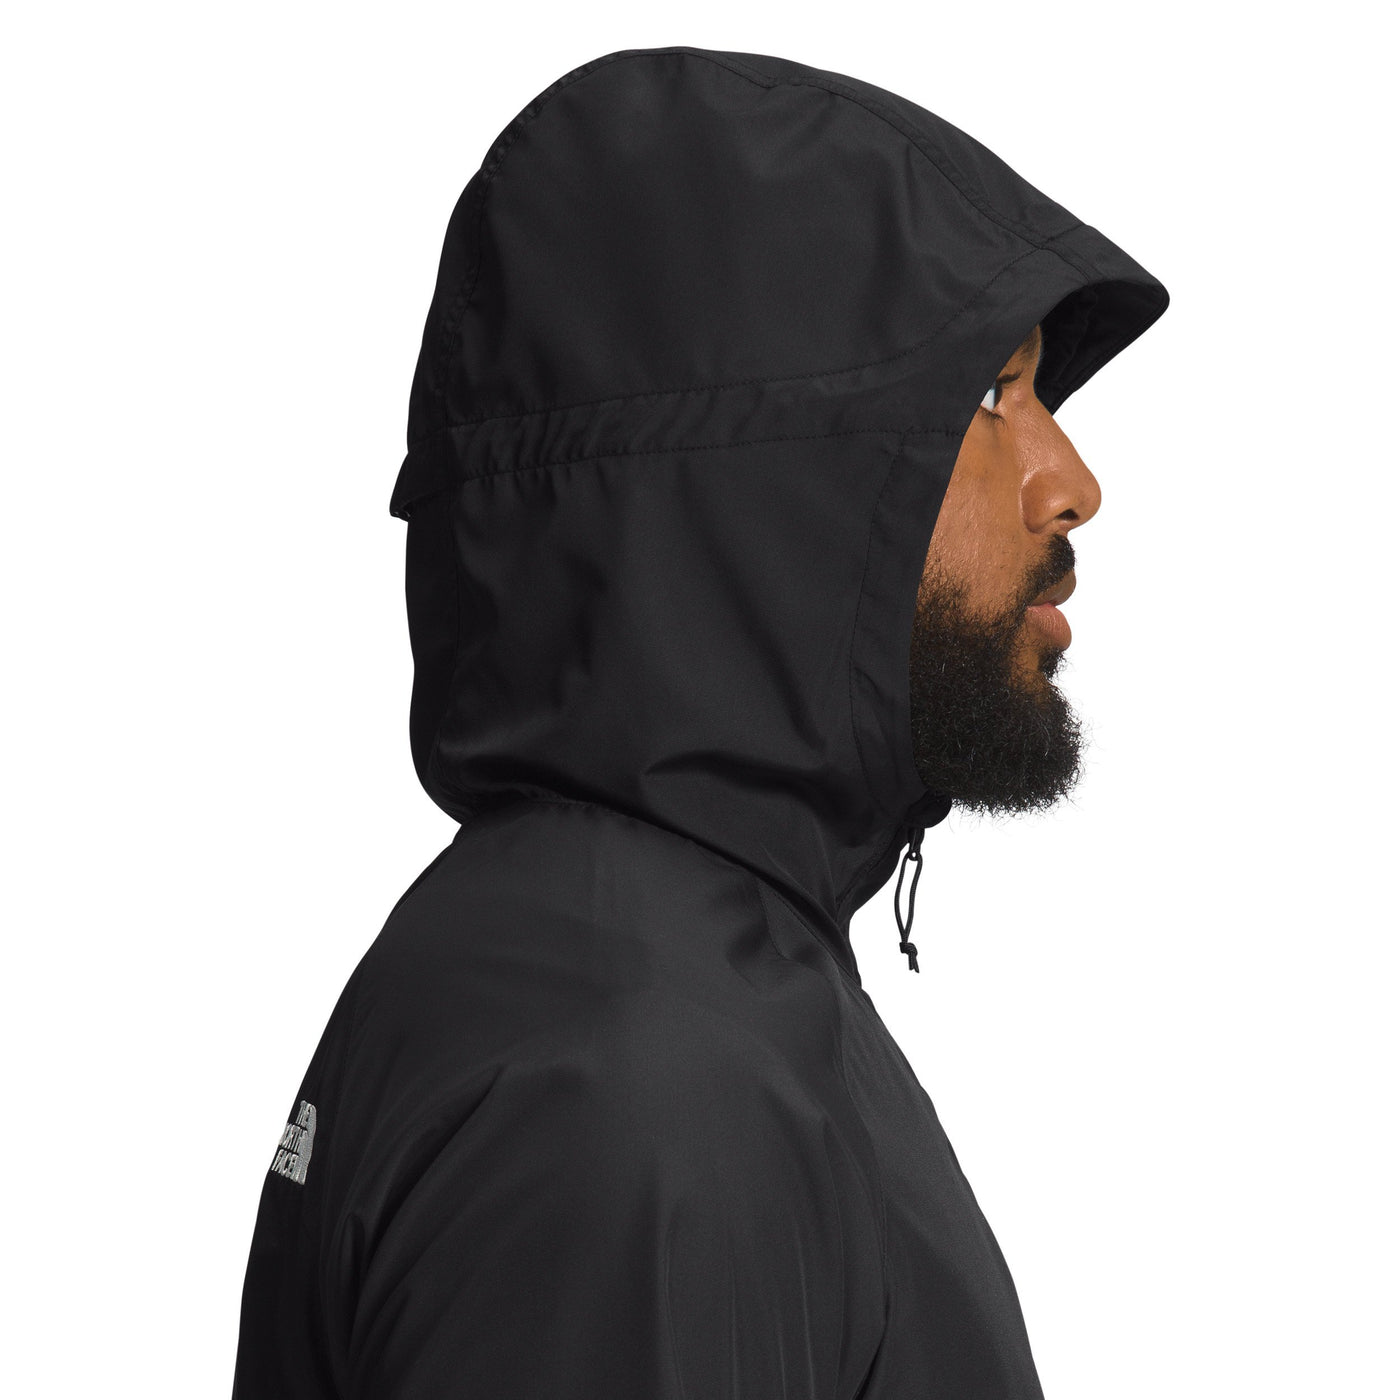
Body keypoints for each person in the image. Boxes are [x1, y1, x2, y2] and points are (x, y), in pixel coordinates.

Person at [231, 45, 1168, 1398]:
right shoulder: (635, 1084)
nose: (1070, 481)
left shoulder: (652, 984)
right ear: (766, 478)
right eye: (988, 394)